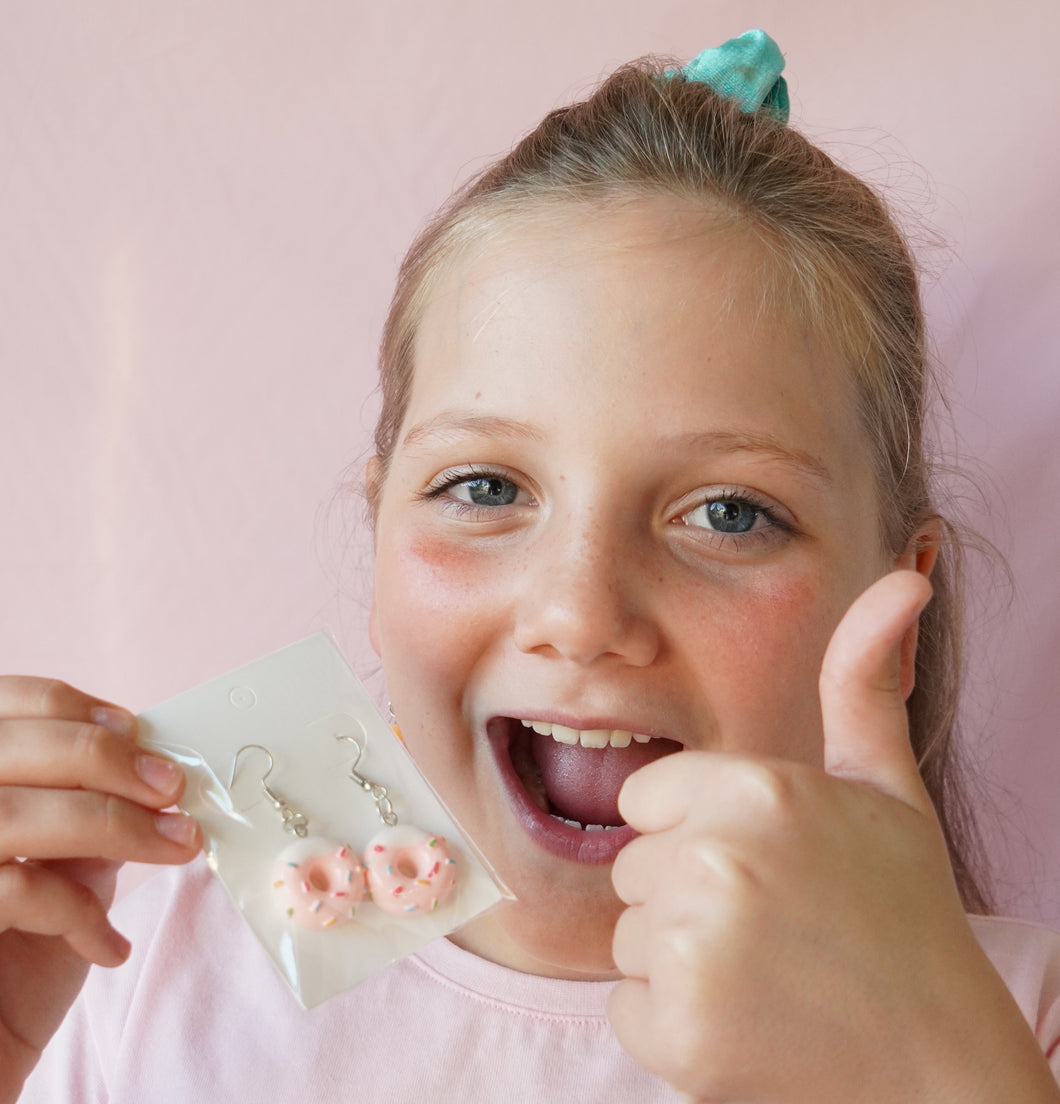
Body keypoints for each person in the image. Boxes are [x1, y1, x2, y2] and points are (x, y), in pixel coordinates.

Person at [6, 30, 1060, 1103]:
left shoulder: (1011, 1025)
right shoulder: (122, 944)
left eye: (730, 513)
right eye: (485, 490)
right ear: (378, 541)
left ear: (897, 617)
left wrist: (934, 1061)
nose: (579, 611)